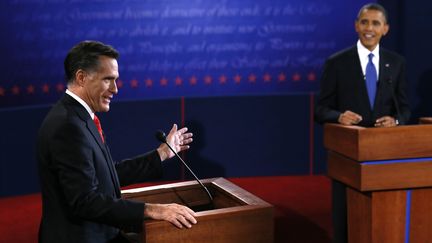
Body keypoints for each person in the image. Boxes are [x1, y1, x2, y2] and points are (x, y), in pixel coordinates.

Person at [36, 40, 197, 243]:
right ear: (81, 77)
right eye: (108, 80)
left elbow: (107, 174)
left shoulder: (78, 117)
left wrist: (162, 153)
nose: (115, 89)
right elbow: (85, 201)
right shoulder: (68, 126)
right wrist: (151, 209)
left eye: (116, 80)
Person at [314, 3, 410, 243]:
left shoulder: (396, 63)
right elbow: (320, 109)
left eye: (376, 23)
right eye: (365, 22)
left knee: (382, 221)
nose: (369, 28)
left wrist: (396, 120)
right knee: (346, 224)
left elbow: (405, 108)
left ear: (385, 29)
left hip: (383, 155)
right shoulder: (337, 63)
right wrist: (338, 116)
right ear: (356, 26)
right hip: (347, 156)